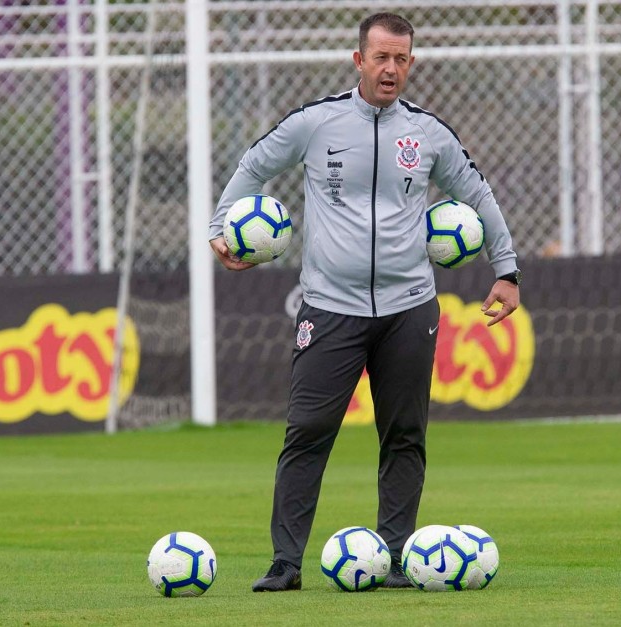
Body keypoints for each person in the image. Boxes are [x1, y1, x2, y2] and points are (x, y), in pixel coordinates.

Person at [208, 12, 521, 592]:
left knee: (404, 434)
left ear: (411, 63)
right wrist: (218, 228)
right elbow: (253, 166)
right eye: (380, 57)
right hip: (329, 307)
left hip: (410, 308)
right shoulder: (315, 122)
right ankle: (285, 563)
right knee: (307, 430)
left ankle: (401, 557)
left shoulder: (427, 133)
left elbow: (477, 191)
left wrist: (506, 269)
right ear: (358, 60)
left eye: (401, 59)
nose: (391, 69)